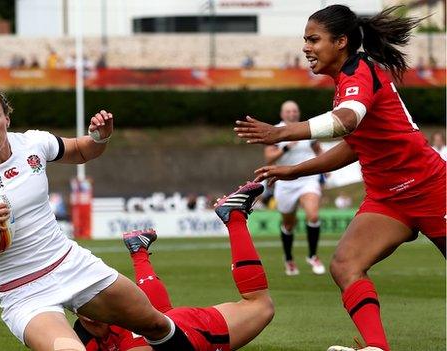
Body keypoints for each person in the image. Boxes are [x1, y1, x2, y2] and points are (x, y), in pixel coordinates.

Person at [234, 5, 445, 351]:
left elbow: (344, 121)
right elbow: (353, 145)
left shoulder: (359, 72)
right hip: (387, 199)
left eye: (314, 39)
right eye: (305, 39)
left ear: (341, 41)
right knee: (346, 265)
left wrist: (281, 132)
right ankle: (377, 347)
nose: (306, 47)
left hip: (431, 189)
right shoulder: (347, 79)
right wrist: (294, 171)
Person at [0, 85, 197, 351]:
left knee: (156, 323)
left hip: (70, 263)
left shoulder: (34, 143)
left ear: (6, 118)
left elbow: (80, 150)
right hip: (23, 290)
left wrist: (100, 138)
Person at [74, 182, 275, 351]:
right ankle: (138, 250)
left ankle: (235, 217)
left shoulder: (123, 331)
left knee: (261, 306)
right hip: (174, 322)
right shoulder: (84, 333)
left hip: (194, 331)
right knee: (160, 313)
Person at [265, 100, 325, 275]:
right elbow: (269, 158)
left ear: (298, 113)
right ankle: (289, 259)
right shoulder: (275, 131)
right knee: (289, 224)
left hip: (308, 178)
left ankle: (313, 256)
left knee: (313, 216)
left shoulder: (307, 128)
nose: (292, 114)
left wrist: (325, 166)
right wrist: (286, 149)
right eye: (288, 111)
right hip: (285, 182)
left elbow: (318, 149)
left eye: (294, 111)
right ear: (282, 114)